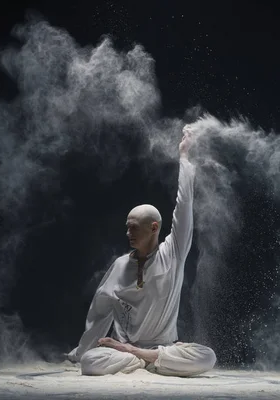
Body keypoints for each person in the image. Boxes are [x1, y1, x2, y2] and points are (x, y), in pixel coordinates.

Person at [66, 125, 216, 376]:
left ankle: (141, 357)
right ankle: (149, 360)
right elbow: (98, 312)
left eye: (134, 228)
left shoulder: (173, 253)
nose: (128, 234)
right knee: (90, 361)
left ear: (154, 227)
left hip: (160, 347)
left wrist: (184, 158)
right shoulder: (120, 265)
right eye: (127, 228)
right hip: (125, 349)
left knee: (207, 357)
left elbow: (184, 205)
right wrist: (81, 351)